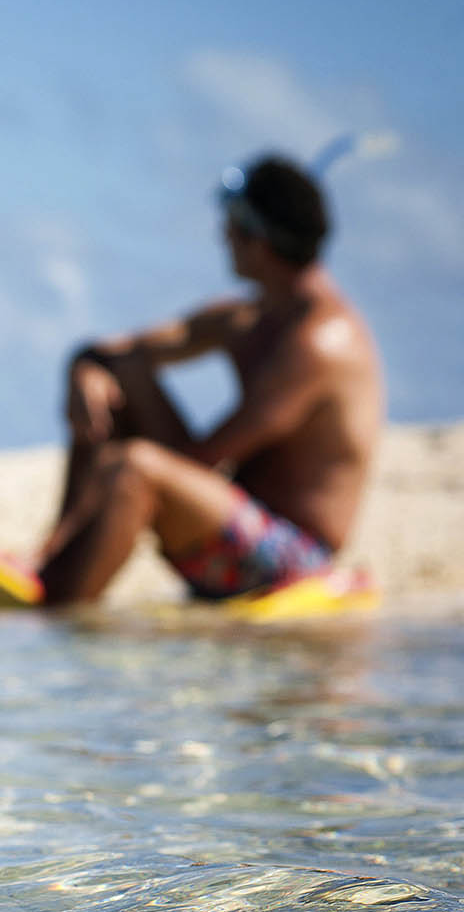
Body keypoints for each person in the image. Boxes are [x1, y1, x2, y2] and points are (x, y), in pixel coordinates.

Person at [36, 155, 383, 605]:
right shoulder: (244, 317)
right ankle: (50, 555)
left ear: (258, 240)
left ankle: (58, 612)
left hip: (295, 560)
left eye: (232, 226)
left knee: (135, 469)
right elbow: (120, 351)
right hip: (230, 529)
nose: (222, 237)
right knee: (120, 373)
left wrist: (118, 469)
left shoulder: (319, 343)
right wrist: (83, 370)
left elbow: (208, 458)